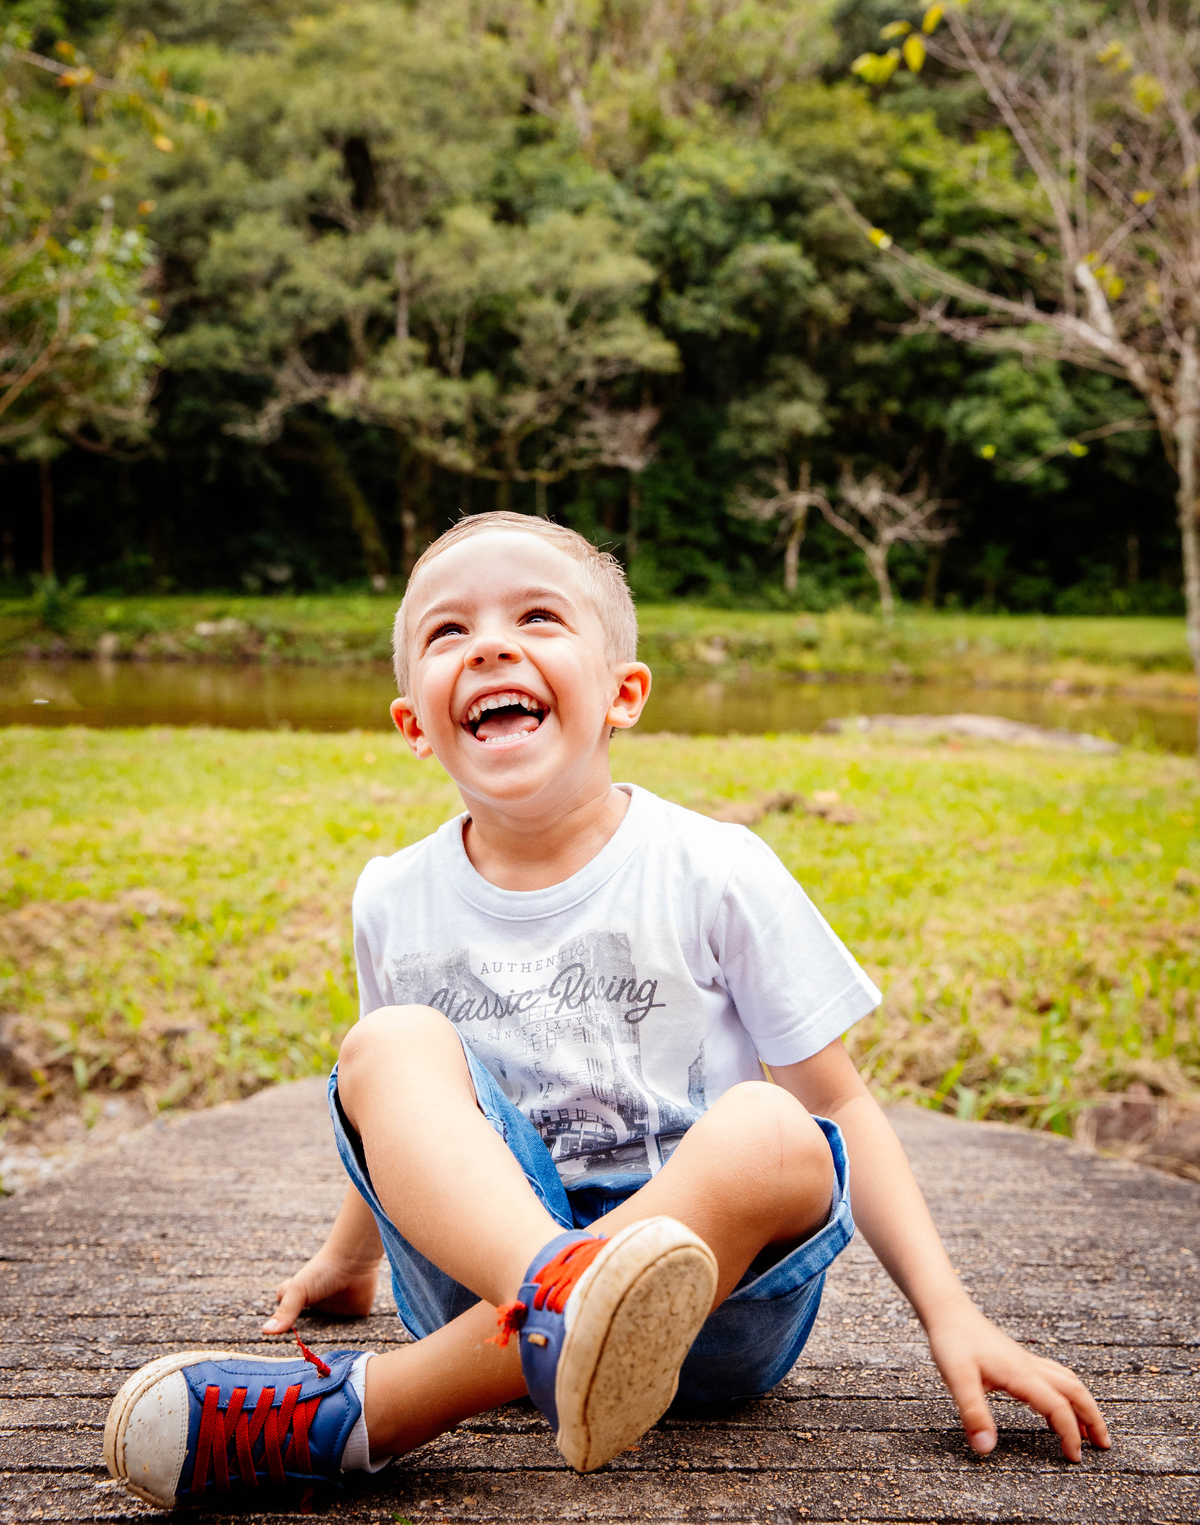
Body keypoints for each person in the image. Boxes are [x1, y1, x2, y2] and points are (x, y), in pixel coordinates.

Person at [104, 512, 1110, 1508]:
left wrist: (951, 1312)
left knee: (777, 1127)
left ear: (623, 695)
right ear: (414, 723)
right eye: (448, 633)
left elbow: (840, 1106)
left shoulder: (714, 868)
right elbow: (405, 1114)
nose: (491, 642)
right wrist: (348, 1257)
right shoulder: (394, 896)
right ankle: (561, 1296)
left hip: (715, 1314)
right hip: (483, 1280)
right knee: (390, 1043)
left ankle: (389, 1407)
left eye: (538, 617)